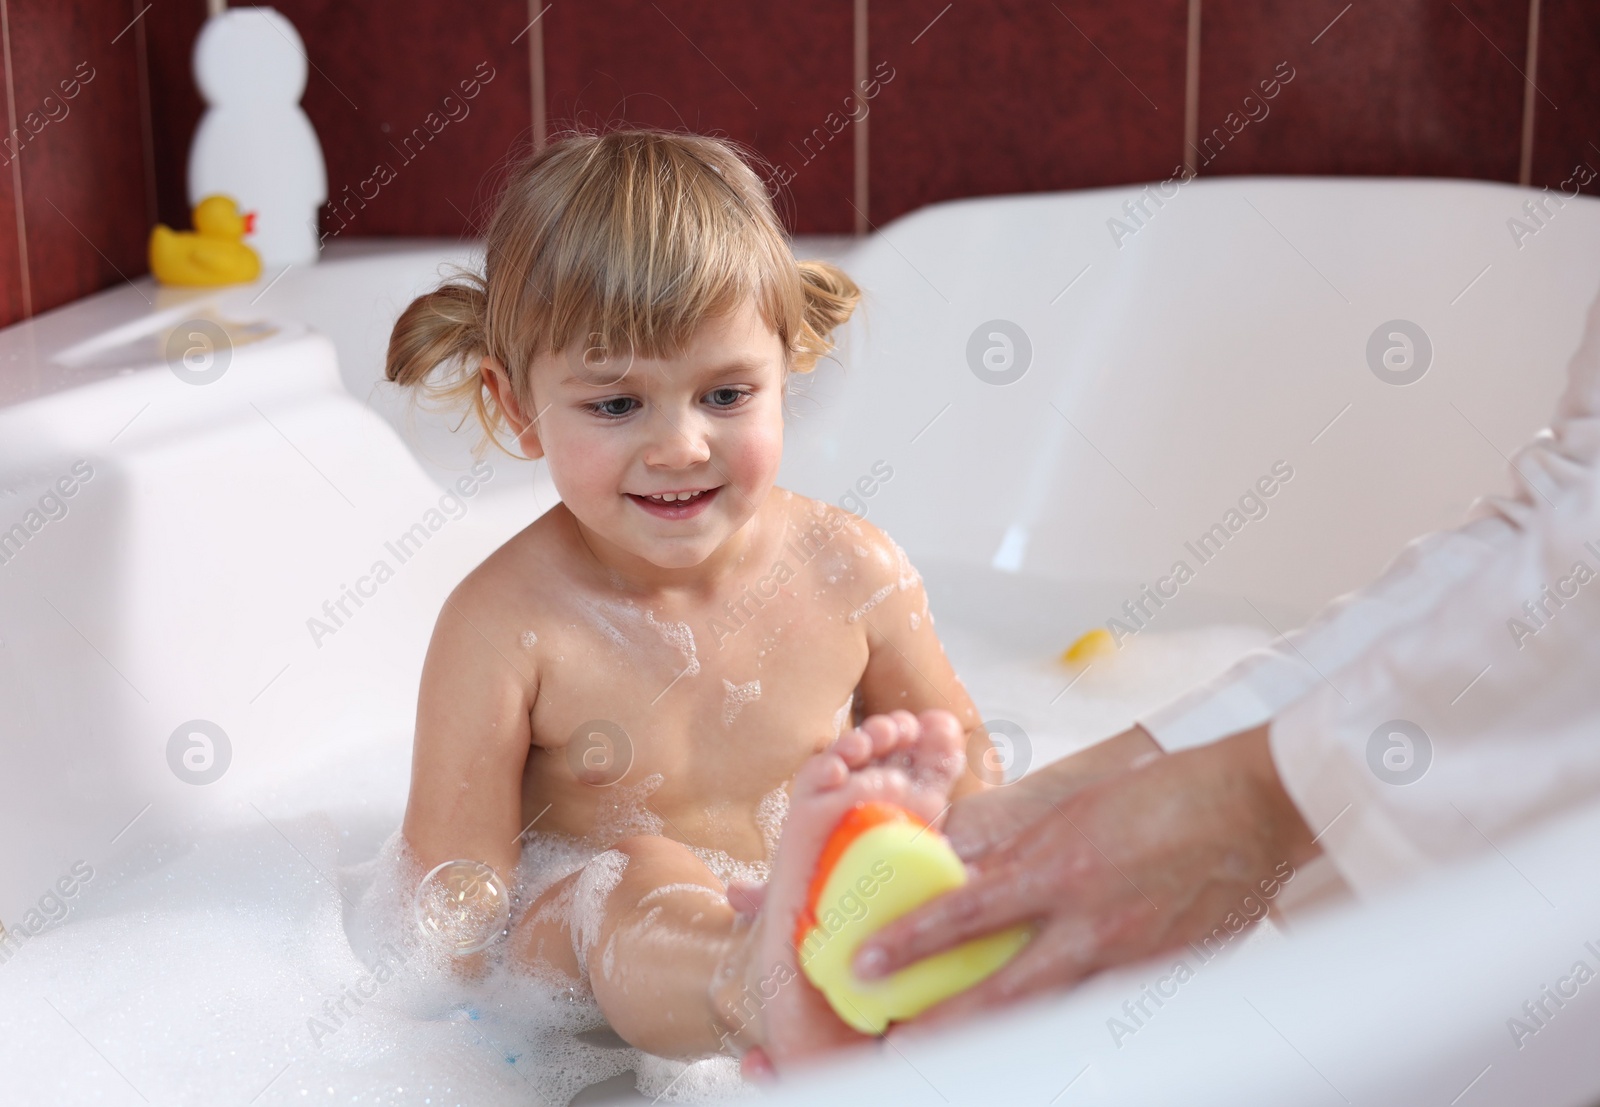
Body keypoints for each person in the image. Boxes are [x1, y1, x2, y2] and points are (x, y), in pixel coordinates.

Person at [826, 272, 1600, 1039]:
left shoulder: (852, 569)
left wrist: (1256, 800)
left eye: (731, 395)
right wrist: (1132, 774)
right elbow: (1561, 509)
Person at [382, 127, 997, 1069]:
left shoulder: (851, 569)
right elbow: (450, 903)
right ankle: (757, 980)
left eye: (725, 394)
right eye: (617, 405)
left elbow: (969, 758)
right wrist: (465, 1007)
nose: (680, 446)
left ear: (785, 369)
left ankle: (818, 967)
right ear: (516, 406)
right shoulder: (506, 626)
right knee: (645, 870)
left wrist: (923, 793)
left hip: (805, 907)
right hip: (585, 953)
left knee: (875, 821)